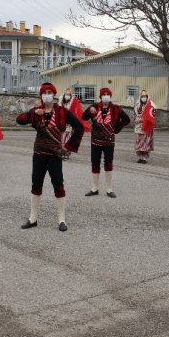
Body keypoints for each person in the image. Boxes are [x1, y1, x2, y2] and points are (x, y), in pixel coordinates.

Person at [16, 82, 84, 231]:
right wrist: (34, 113)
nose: (47, 95)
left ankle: (61, 220)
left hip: (54, 155)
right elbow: (19, 120)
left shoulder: (62, 112)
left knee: (58, 185)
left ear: (53, 95)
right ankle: (33, 218)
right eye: (44, 92)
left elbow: (79, 127)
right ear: (41, 95)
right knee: (36, 184)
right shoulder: (36, 111)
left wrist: (68, 146)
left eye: (49, 92)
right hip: (39, 153)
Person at [82, 87, 131, 197]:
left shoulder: (116, 109)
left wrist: (116, 128)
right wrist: (89, 111)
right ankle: (94, 188)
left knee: (108, 163)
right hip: (96, 141)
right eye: (103, 95)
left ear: (110, 96)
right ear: (100, 96)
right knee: (95, 162)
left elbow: (127, 119)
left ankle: (109, 189)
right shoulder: (94, 107)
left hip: (109, 141)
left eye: (107, 94)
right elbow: (83, 117)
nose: (106, 96)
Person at [134, 89, 156, 163]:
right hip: (138, 127)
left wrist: (144, 120)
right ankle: (140, 157)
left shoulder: (151, 105)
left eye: (145, 96)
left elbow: (152, 116)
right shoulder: (137, 106)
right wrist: (137, 120)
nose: (143, 98)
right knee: (139, 142)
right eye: (142, 96)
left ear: (147, 97)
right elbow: (135, 115)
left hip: (146, 127)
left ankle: (145, 158)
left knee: (146, 143)